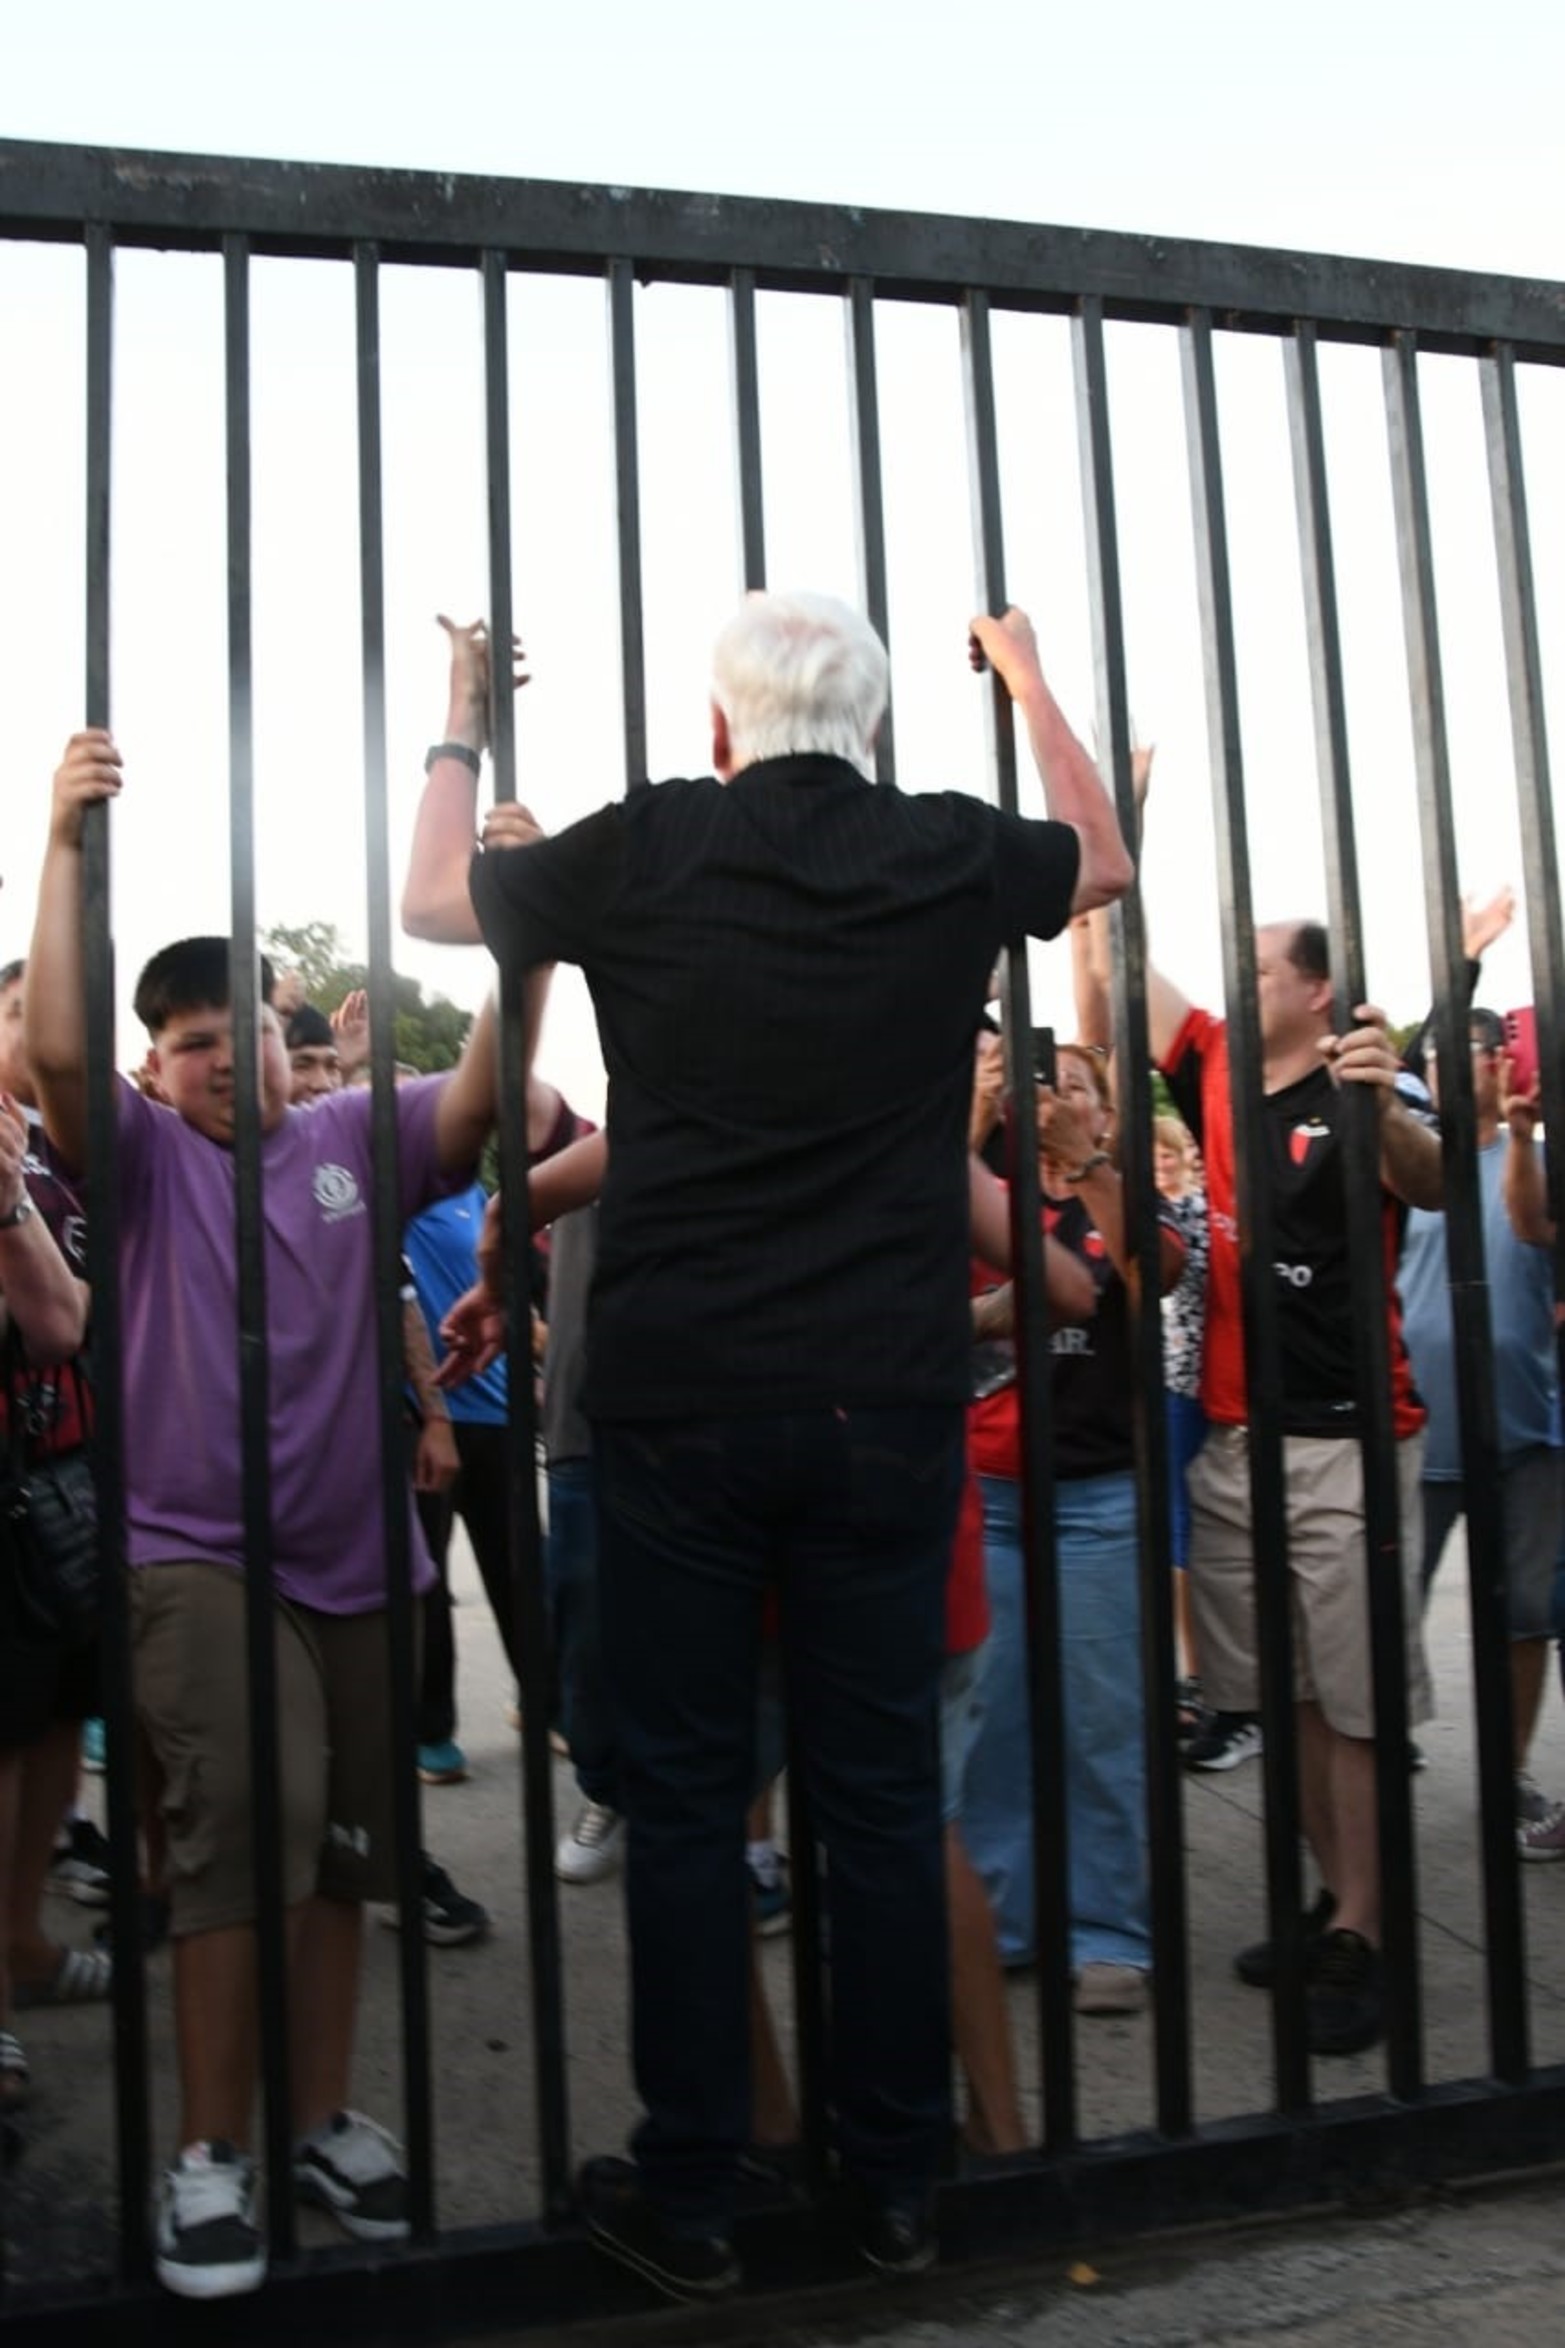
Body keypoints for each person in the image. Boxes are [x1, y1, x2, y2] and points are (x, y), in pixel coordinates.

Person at [404, 590, 1131, 2297]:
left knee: (680, 1807)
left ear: (722, 729)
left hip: (678, 1399)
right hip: (882, 1398)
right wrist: (1026, 681)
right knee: (879, 1808)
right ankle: (891, 2185)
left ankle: (703, 2190)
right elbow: (1099, 857)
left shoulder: (658, 839)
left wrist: (457, 712)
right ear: (866, 730)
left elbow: (438, 902)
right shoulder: (943, 851)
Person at [26, 736, 500, 2301]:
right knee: (243, 1844)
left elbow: (500, 1098)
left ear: (299, 1047)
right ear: (158, 1068)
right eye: (193, 1038)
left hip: (359, 1561)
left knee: (351, 1857)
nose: (227, 1056)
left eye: (252, 1031)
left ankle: (317, 2122)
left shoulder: (353, 1139)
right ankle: (207, 2154)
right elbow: (54, 1045)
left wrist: (525, 930)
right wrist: (68, 843)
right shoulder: (147, 1161)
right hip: (195, 1560)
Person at [1145, 913, 1440, 2057]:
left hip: (1345, 1437)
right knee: (1291, 1698)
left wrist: (1380, 1103)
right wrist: (1116, 827)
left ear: (1316, 992)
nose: (1238, 978)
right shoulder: (1213, 1056)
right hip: (1232, 1439)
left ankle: (1364, 1933)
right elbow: (1107, 965)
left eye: (1261, 965)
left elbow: (1426, 1185)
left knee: (1353, 1703)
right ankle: (1334, 1901)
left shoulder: (1359, 1074)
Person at [963, 1045, 1184, 2010]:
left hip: (1096, 1495)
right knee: (994, 1719)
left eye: (1078, 1087)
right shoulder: (982, 1189)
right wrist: (975, 1118)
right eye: (1038, 1086)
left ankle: (1106, 1931)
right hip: (993, 1492)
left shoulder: (1110, 1190)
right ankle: (1004, 1918)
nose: (1056, 1100)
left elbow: (1158, 1269)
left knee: (1099, 1722)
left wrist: (1086, 1165)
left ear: (1102, 1110)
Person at [1399, 1009, 1561, 1839]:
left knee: (1523, 1614)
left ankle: (1508, 1777)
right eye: (1428, 1056)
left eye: (1454, 1053)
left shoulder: (1530, 1159)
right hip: (1418, 1437)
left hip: (1524, 1436)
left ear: (1499, 1059)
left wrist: (1525, 1139)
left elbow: (1533, 1226)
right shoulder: (1407, 1163)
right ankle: (1378, 1756)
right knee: (1388, 1609)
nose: (1437, 1068)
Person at [0, 1064, 97, 2135]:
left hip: (59, 1472)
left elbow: (66, 1319)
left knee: (58, 1716)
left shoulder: (56, 1166)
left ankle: (24, 1936)